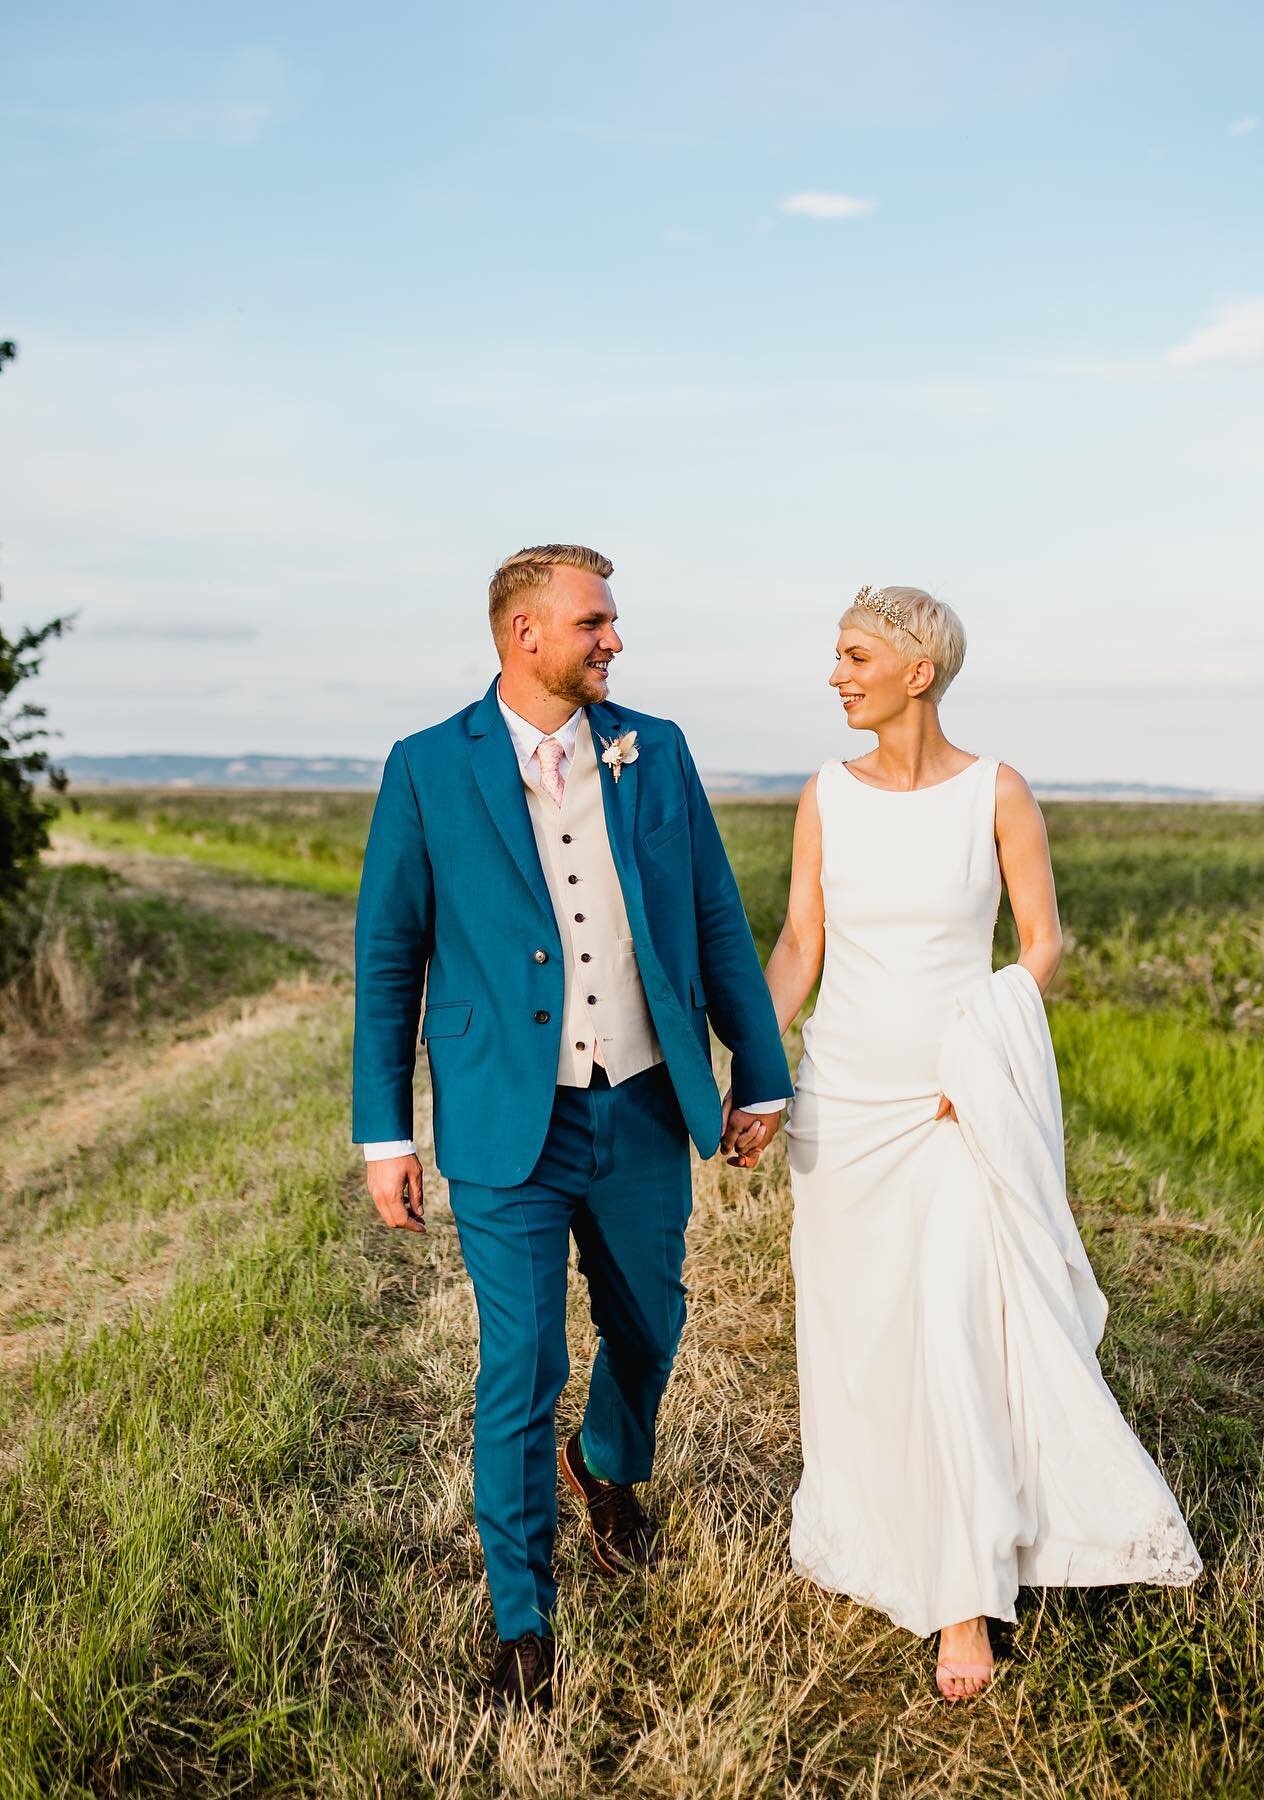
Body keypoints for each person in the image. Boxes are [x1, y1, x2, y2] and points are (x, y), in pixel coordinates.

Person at [351, 544, 792, 1711]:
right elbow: (390, 963)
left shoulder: (657, 750)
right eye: (595, 623)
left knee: (651, 1327)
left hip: (644, 1101)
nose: (615, 642)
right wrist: (382, 1133)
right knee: (522, 1362)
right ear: (525, 634)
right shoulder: (425, 770)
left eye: (613, 623)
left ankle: (606, 1460)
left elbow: (712, 916)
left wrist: (760, 1070)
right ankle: (521, 1627)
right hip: (511, 1122)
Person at [760, 584, 1201, 1702]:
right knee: (861, 1334)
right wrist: (760, 1072)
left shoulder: (997, 793)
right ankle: (870, 1529)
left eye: (855, 655)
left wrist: (986, 1047)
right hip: (844, 1104)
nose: (836, 674)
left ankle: (963, 1600)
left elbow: (1043, 943)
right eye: (836, 655)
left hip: (955, 1102)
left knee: (954, 1325)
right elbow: (802, 940)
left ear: (919, 669)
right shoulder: (824, 795)